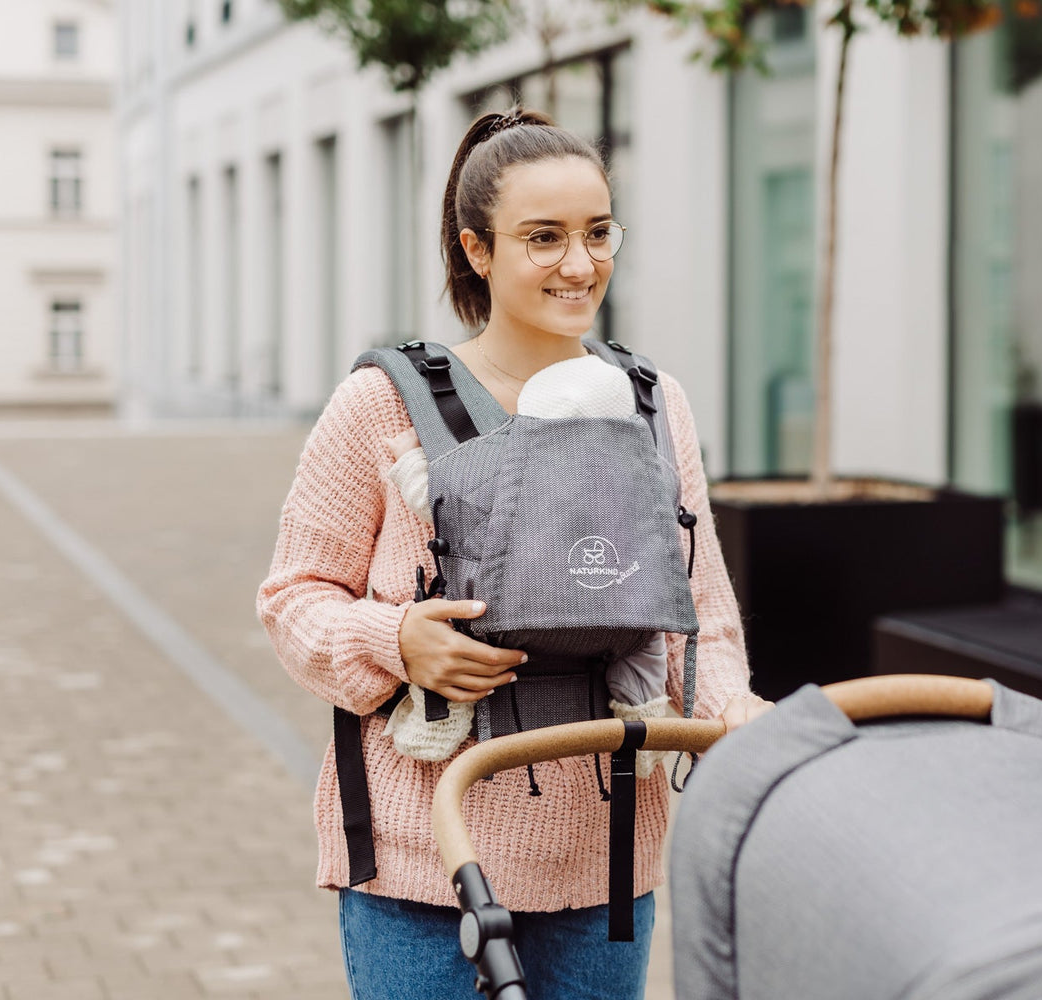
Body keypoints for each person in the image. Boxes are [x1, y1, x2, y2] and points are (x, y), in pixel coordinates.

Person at [256, 106, 771, 1000]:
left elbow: (704, 613)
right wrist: (398, 640)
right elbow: (294, 598)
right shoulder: (381, 404)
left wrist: (734, 711)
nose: (580, 264)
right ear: (477, 251)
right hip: (424, 866)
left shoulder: (654, 405)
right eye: (544, 238)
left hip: (605, 867)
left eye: (598, 232)